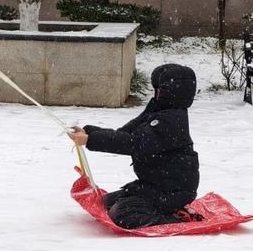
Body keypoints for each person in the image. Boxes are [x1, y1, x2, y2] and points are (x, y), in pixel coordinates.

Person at [69, 63, 200, 229]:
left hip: (172, 191)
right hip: (153, 184)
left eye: (159, 89)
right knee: (106, 203)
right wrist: (88, 132)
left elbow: (133, 143)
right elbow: (123, 133)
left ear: (171, 92)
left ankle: (176, 218)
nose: (156, 93)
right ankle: (167, 209)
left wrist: (89, 140)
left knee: (122, 214)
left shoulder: (171, 121)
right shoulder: (155, 112)